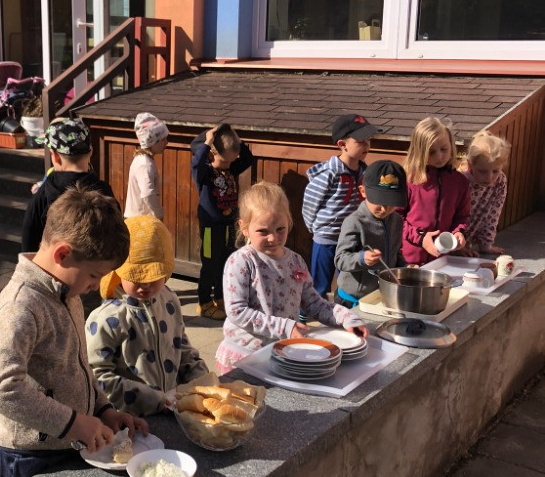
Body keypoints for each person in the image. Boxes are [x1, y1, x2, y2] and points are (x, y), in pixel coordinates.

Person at [0, 186, 148, 477]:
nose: (96, 285)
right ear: (62, 254)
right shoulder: (20, 307)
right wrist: (73, 423)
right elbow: (0, 389)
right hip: (28, 459)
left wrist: (103, 410)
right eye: (94, 275)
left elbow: (78, 367)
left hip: (68, 443)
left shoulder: (68, 292)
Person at [216, 181, 368, 375]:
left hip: (282, 352)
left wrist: (346, 318)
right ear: (244, 228)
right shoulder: (241, 261)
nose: (273, 238)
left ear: (289, 222)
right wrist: (285, 327)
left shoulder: (295, 261)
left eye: (280, 229)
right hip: (244, 355)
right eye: (263, 231)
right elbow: (237, 312)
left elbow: (314, 303)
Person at [87, 215, 208, 415]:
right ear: (118, 269)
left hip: (172, 408)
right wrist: (152, 399)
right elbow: (97, 377)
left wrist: (200, 379)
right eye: (136, 276)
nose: (145, 284)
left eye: (153, 275)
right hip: (129, 418)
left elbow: (182, 348)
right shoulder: (105, 319)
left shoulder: (169, 300)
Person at [302, 113, 380, 298]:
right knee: (319, 286)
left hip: (351, 240)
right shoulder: (328, 174)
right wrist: (315, 229)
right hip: (326, 239)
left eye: (368, 140)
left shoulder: (366, 173)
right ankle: (308, 313)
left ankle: (342, 311)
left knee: (347, 284)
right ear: (342, 145)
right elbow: (310, 204)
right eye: (361, 141)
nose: (366, 145)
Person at [21, 116, 113, 252]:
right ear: (91, 152)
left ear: (55, 156)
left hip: (54, 261)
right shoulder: (104, 191)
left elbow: (29, 239)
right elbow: (116, 235)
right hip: (96, 263)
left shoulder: (44, 193)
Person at [191, 122, 254, 320]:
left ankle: (220, 298)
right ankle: (204, 303)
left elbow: (248, 158)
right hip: (211, 227)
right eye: (224, 162)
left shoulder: (230, 166)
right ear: (211, 154)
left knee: (226, 263)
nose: (229, 166)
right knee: (210, 265)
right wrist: (207, 143)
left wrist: (236, 139)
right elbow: (196, 164)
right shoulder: (205, 173)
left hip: (229, 225)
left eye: (231, 162)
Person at [335, 160, 407, 306]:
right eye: (379, 202)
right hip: (352, 299)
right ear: (363, 191)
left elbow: (395, 252)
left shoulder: (396, 220)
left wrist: (405, 267)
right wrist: (362, 258)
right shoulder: (354, 222)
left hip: (379, 296)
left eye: (391, 202)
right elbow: (340, 259)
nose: (385, 209)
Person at [402, 116, 470, 265]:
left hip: (443, 261)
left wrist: (458, 232)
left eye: (444, 149)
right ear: (419, 152)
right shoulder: (409, 179)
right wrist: (420, 237)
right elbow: (395, 219)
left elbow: (461, 216)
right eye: (431, 152)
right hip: (408, 261)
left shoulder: (460, 182)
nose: (439, 156)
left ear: (451, 145)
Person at [462, 129, 510, 256]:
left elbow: (493, 215)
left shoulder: (500, 181)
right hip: (451, 243)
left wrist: (486, 244)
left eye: (495, 171)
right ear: (470, 165)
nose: (489, 178)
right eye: (482, 171)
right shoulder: (461, 182)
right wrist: (456, 246)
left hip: (468, 243)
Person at [124, 112, 169, 219]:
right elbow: (148, 194)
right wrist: (158, 214)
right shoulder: (145, 164)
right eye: (163, 139)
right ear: (151, 142)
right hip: (140, 222)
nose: (167, 143)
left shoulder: (143, 160)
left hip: (139, 219)